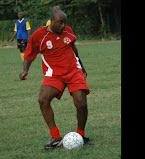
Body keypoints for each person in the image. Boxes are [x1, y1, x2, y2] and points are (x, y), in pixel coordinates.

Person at [19, 6, 92, 150]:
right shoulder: (39, 35)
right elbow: (30, 53)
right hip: (54, 74)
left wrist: (82, 67)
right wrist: (25, 70)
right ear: (51, 21)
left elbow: (73, 49)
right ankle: (55, 137)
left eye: (64, 22)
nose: (63, 25)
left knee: (81, 103)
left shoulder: (68, 31)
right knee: (43, 100)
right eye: (60, 22)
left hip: (73, 71)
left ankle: (81, 135)